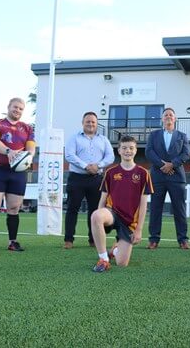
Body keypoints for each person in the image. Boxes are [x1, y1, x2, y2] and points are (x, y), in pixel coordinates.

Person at [0, 97, 35, 252]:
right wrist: (9, 151)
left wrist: (25, 157)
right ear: (9, 107)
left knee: (14, 207)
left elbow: (31, 149)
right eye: (15, 107)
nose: (17, 110)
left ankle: (13, 242)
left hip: (17, 172)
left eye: (20, 108)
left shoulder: (28, 128)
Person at [90, 135, 153, 272]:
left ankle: (115, 249)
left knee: (122, 263)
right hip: (112, 213)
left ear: (136, 150)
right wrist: (98, 217)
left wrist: (139, 230)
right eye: (124, 148)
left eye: (131, 148)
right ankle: (104, 259)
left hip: (129, 222)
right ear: (118, 151)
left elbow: (143, 204)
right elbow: (103, 198)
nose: (127, 151)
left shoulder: (143, 173)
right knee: (96, 215)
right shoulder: (111, 172)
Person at [64, 112, 115, 249]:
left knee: (95, 210)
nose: (90, 124)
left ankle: (93, 239)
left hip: (96, 179)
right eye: (88, 121)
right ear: (82, 123)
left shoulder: (104, 139)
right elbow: (69, 155)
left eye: (93, 122)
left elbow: (110, 157)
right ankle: (68, 240)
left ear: (96, 123)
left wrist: (97, 166)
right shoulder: (74, 138)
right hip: (77, 178)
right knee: (72, 209)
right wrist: (86, 166)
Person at [145, 108, 190, 249]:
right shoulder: (153, 135)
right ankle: (153, 239)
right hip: (157, 177)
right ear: (162, 119)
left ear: (175, 119)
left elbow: (185, 154)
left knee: (179, 209)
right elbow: (149, 152)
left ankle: (183, 240)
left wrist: (172, 165)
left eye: (171, 115)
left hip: (177, 177)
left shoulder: (182, 136)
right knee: (155, 209)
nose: (168, 117)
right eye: (166, 115)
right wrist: (162, 165)